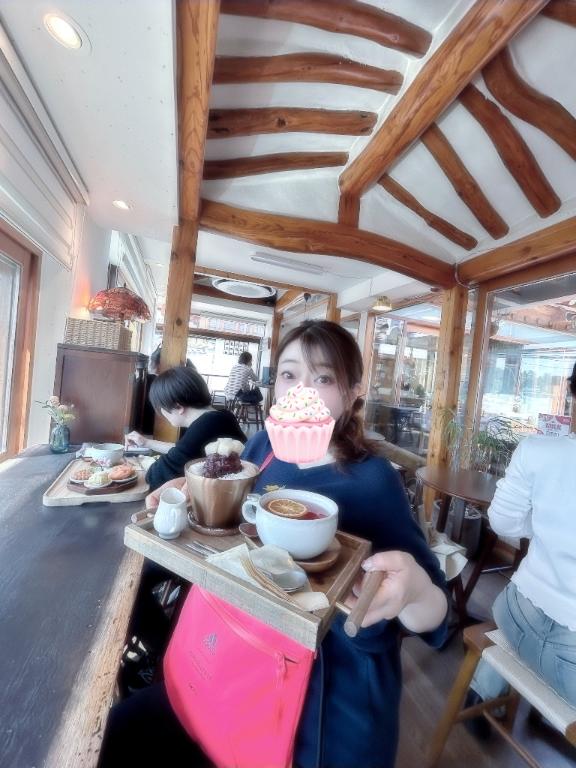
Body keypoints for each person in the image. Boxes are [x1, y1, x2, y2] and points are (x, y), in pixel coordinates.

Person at [101, 321, 448, 768]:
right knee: (119, 732)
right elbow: (233, 515)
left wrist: (414, 588)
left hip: (321, 704)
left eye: (323, 378)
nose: (302, 390)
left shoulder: (372, 479)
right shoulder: (263, 446)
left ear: (352, 393)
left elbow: (436, 617)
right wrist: (195, 493)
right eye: (289, 374)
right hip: (236, 660)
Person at [466, 361, 576, 720]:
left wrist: (543, 526)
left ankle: (481, 694)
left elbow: (502, 520)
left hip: (514, 614)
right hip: (570, 665)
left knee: (519, 630)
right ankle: (547, 716)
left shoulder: (538, 449)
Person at [126, 366, 246, 491]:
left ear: (178, 407)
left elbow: (156, 477)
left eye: (161, 408)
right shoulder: (223, 417)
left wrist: (143, 466)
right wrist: (145, 442)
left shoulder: (205, 426)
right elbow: (182, 450)